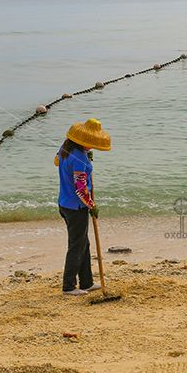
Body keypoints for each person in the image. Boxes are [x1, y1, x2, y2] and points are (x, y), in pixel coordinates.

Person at [55, 118, 111, 296]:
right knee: (76, 246)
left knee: (83, 244)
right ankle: (68, 286)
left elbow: (57, 161)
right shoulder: (79, 158)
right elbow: (80, 189)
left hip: (64, 204)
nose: (92, 147)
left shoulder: (65, 149)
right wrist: (92, 205)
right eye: (90, 144)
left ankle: (86, 282)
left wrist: (86, 158)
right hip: (76, 207)